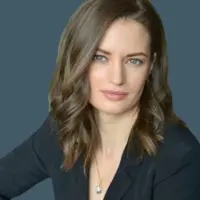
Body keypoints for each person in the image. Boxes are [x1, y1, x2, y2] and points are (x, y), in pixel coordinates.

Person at [0, 0, 200, 199]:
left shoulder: (179, 157)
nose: (117, 78)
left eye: (134, 61)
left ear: (150, 66)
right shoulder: (63, 130)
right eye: (100, 57)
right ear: (78, 58)